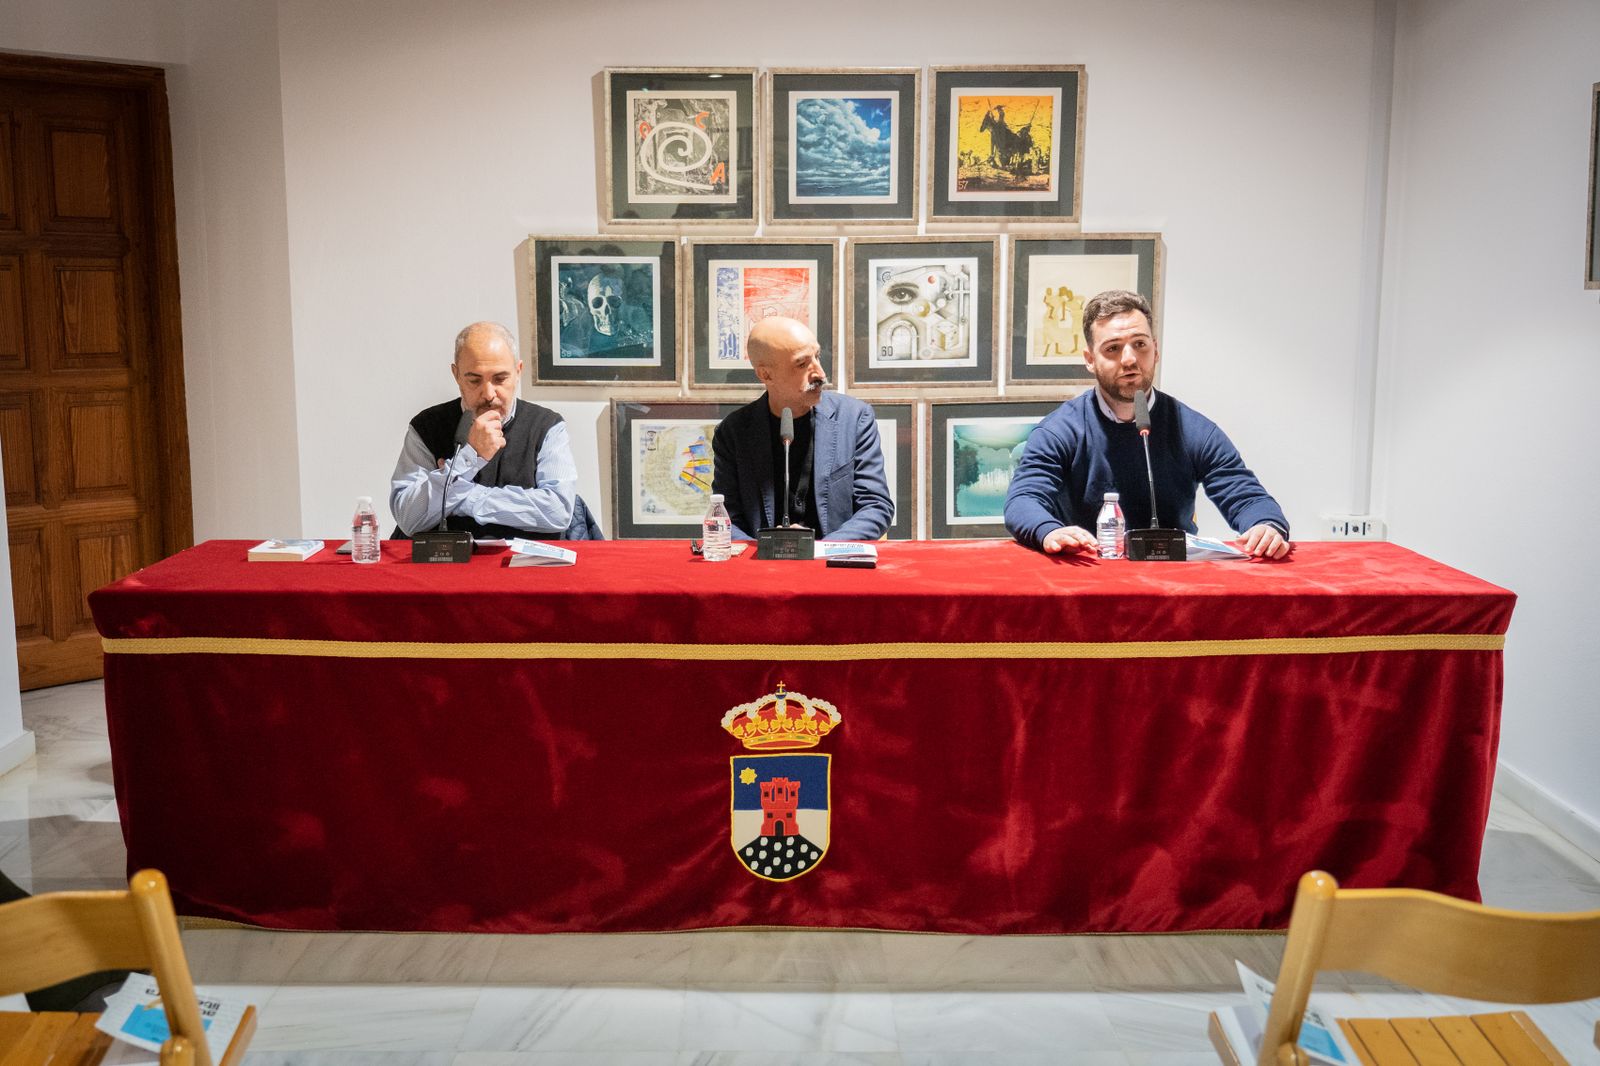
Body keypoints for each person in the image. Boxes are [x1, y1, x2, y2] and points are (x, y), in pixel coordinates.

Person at [1004, 290, 1290, 558]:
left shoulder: (1195, 430)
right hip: (1086, 575)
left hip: (1173, 582)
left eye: (1139, 345)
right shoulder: (1059, 430)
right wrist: (1050, 531)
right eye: (1113, 348)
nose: (1129, 359)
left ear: (1156, 350)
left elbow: (1247, 496)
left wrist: (1266, 525)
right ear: (1090, 360)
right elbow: (1024, 500)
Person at [391, 321, 577, 540]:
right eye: (474, 380)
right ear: (457, 375)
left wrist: (463, 496)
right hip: (445, 567)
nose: (488, 394)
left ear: (518, 372)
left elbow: (558, 511)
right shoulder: (426, 426)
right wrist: (470, 457)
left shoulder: (547, 426)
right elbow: (408, 518)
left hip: (524, 568)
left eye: (500, 379)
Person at [712, 317, 893, 541]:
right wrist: (764, 552)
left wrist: (820, 550)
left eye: (817, 356)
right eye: (801, 364)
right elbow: (726, 518)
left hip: (833, 563)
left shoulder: (854, 418)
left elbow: (876, 506)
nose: (820, 374)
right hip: (762, 567)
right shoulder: (733, 432)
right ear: (765, 375)